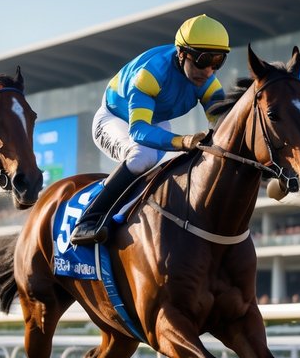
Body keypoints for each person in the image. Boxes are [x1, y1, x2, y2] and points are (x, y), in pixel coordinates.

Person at [69, 14, 229, 246]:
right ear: (182, 53)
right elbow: (140, 132)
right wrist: (183, 141)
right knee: (141, 157)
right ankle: (87, 221)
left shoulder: (208, 83)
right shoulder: (151, 74)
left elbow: (224, 132)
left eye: (218, 61)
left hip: (155, 120)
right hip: (115, 119)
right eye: (203, 60)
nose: (208, 71)